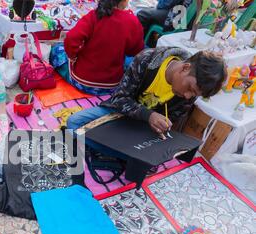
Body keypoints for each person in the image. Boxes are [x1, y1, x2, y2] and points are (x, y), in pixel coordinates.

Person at [67, 47, 227, 136]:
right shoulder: (147, 60)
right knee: (74, 123)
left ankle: (115, 150)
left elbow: (173, 117)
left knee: (148, 157)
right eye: (190, 89)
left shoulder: (191, 91)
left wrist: (163, 125)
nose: (187, 96)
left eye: (194, 95)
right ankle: (117, 152)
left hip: (143, 129)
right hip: (119, 113)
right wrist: (148, 115)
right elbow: (119, 99)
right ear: (185, 68)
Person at [50, 0, 144, 95]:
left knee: (56, 50)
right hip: (112, 85)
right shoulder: (132, 20)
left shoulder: (94, 16)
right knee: (128, 60)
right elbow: (136, 50)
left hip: (83, 82)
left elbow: (71, 39)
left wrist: (73, 56)